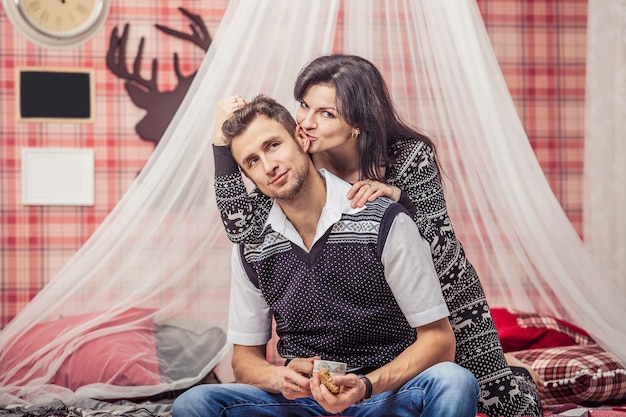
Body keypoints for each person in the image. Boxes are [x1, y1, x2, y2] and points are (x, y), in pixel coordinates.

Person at [212, 54, 542, 417]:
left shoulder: (407, 156)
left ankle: (520, 377)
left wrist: (400, 201)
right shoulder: (306, 158)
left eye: (326, 113)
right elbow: (240, 226)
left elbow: (441, 245)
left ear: (357, 122)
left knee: (497, 400)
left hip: (447, 289)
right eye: (304, 106)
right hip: (372, 322)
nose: (306, 122)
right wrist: (222, 148)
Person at [174, 95, 479, 417]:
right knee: (195, 403)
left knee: (453, 380)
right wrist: (279, 377)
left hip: (383, 396)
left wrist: (366, 385)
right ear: (248, 178)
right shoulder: (253, 245)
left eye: (273, 145)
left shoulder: (383, 220)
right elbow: (244, 361)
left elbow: (439, 341)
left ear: (301, 139)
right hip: (304, 405)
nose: (268, 166)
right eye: (252, 161)